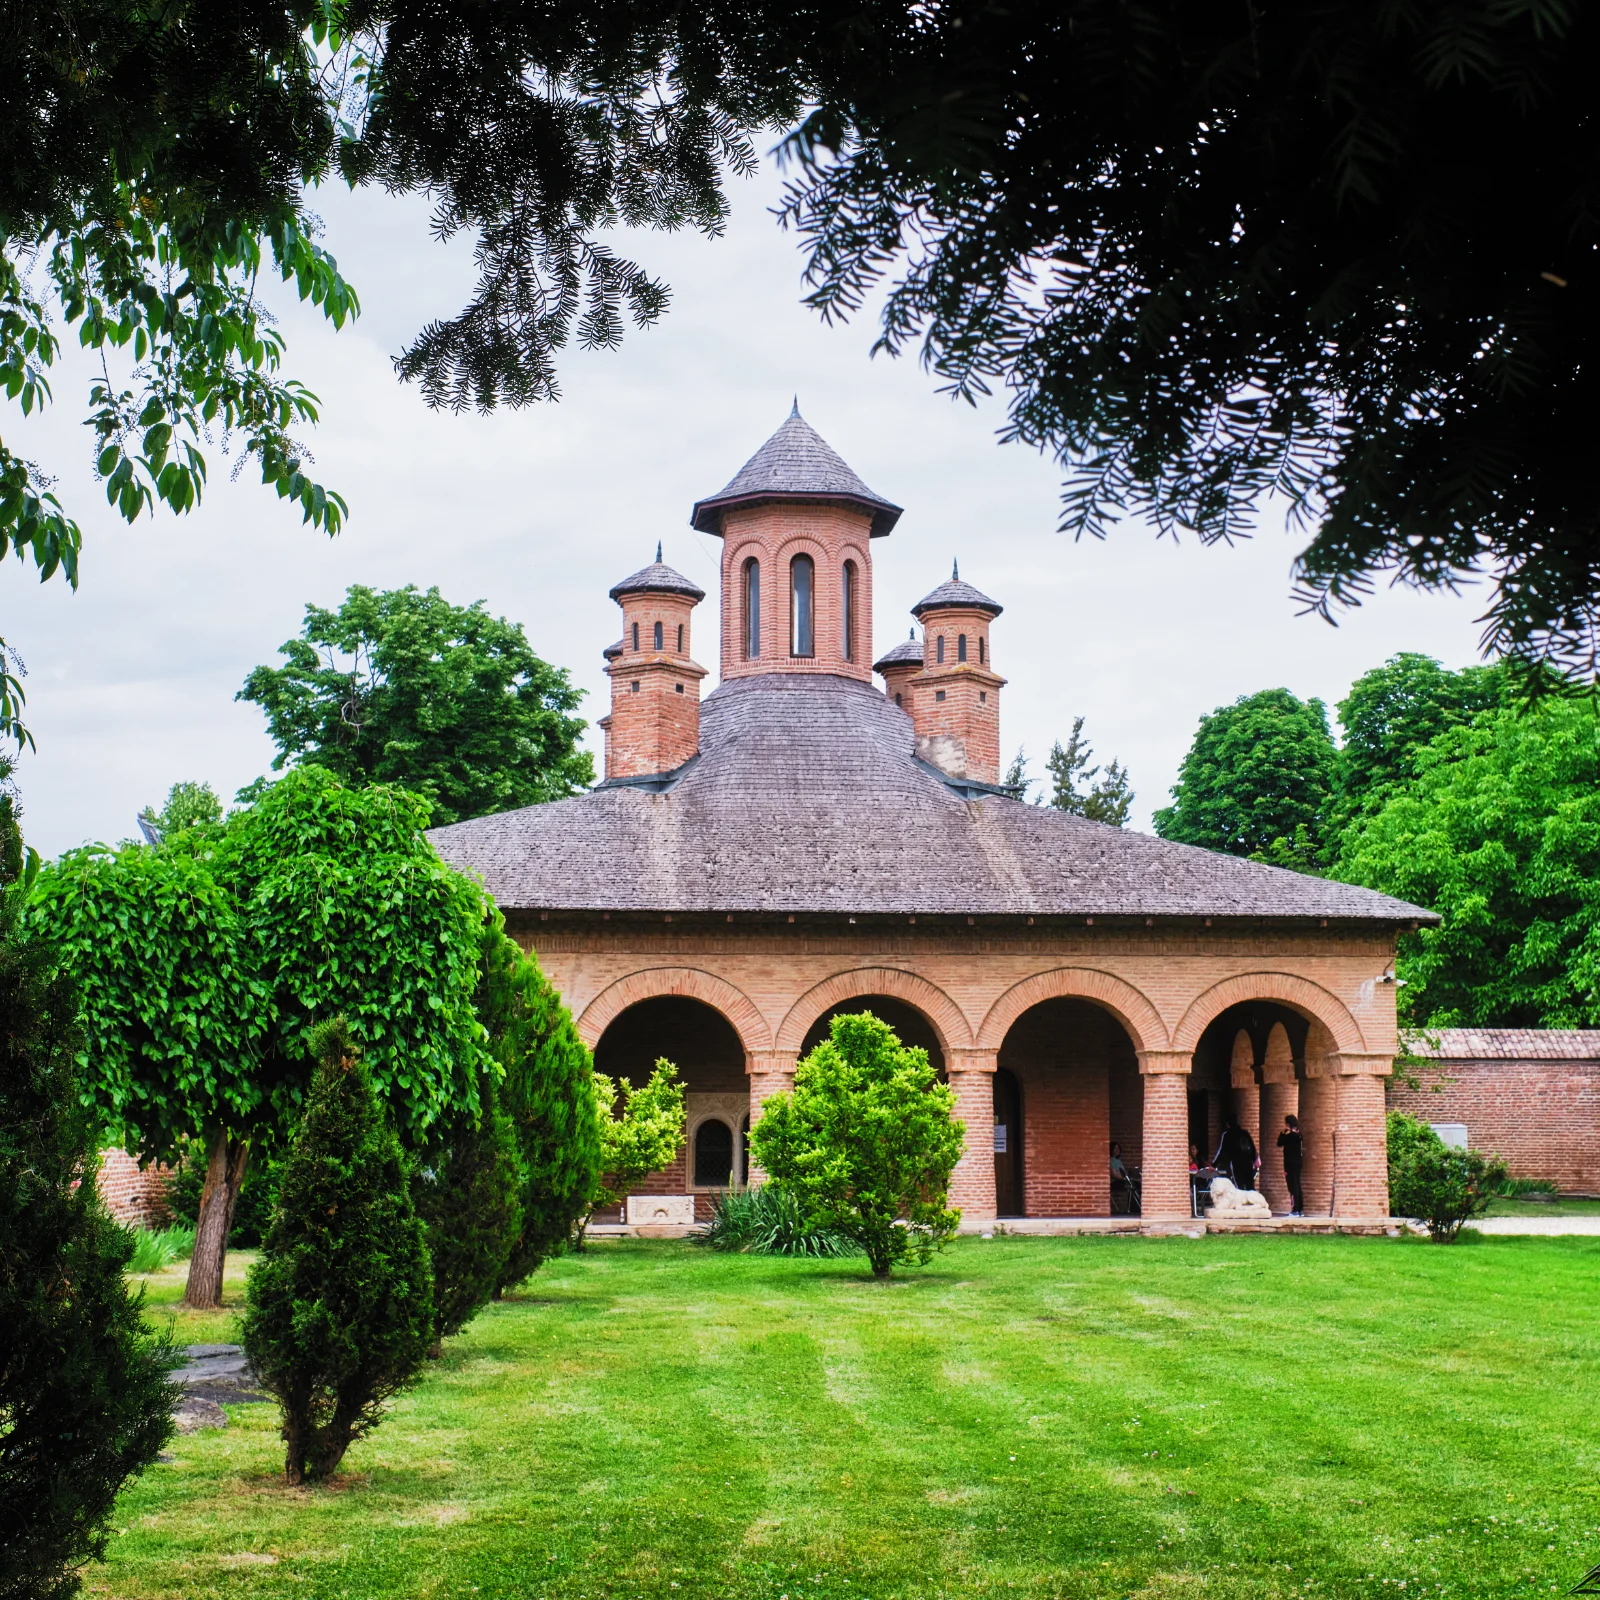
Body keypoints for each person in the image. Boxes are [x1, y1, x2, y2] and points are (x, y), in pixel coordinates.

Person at [1213, 1117, 1258, 1193]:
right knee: (1250, 1186)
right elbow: (1252, 1147)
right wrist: (1253, 1160)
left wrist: (1214, 1165)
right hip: (1248, 1163)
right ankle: (1252, 1202)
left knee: (1239, 1187)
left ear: (1227, 1124)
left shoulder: (1227, 1135)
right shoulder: (1245, 1133)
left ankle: (1241, 1204)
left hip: (1236, 1163)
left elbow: (1221, 1150)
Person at [1277, 1114, 1304, 1215]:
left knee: (1292, 1186)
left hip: (1290, 1164)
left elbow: (1279, 1143)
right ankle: (1300, 1209)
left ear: (1288, 1124)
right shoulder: (1299, 1134)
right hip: (1298, 1163)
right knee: (1297, 1185)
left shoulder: (1290, 1136)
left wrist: (1283, 1132)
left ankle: (1295, 1209)